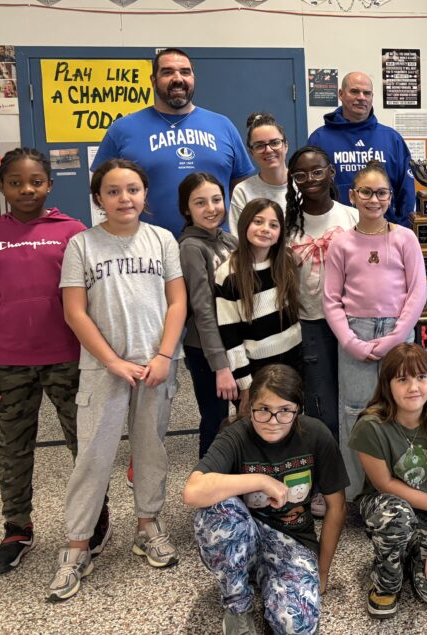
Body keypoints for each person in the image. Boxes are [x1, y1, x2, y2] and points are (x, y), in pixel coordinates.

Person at [48, 159, 186, 602]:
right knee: (92, 456)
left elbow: (177, 302)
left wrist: (164, 354)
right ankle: (76, 546)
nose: (124, 198)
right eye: (113, 191)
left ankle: (147, 526)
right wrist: (111, 362)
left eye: (132, 189)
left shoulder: (163, 239)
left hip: (156, 366)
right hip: (103, 369)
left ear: (145, 195)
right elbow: (75, 312)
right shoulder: (82, 246)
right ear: (98, 198)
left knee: (151, 451)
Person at [0, 149, 108, 575]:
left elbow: (93, 300)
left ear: (49, 184)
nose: (26, 189)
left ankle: (95, 519)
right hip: (9, 366)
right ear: (4, 187)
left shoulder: (74, 233)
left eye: (35, 181)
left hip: (69, 360)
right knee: (12, 448)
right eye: (15, 182)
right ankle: (16, 528)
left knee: (84, 446)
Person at [183, 364, 349, 634]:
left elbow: (337, 506)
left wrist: (323, 571)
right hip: (244, 537)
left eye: (284, 411)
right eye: (263, 410)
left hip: (292, 540)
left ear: (298, 411)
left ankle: (268, 581)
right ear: (251, 409)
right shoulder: (236, 434)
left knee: (296, 624)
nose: (273, 421)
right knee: (217, 507)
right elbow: (192, 491)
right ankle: (238, 605)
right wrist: (261, 480)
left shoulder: (317, 435)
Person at [324, 161, 426, 502]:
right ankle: (357, 493)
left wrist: (396, 337)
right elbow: (331, 299)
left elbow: (418, 293)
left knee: (404, 408)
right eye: (365, 192)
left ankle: (404, 490)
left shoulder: (404, 238)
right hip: (356, 333)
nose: (373, 199)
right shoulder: (341, 244)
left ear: (390, 196)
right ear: (353, 196)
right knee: (356, 412)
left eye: (381, 192)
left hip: (398, 333)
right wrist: (351, 341)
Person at [348, 343, 427, 618]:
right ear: (388, 385)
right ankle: (386, 582)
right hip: (386, 503)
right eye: (403, 379)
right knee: (397, 516)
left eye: (421, 377)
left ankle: (414, 549)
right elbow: (385, 484)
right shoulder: (370, 425)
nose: (414, 387)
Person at [93, 48, 255, 238]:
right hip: (146, 250)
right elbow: (101, 188)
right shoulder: (122, 129)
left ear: (193, 78)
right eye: (168, 72)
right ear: (153, 80)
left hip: (214, 248)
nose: (178, 78)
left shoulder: (223, 125)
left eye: (185, 72)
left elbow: (242, 188)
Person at [285, 145, 359, 518]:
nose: (310, 181)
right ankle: (326, 484)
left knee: (357, 403)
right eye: (300, 175)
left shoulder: (351, 216)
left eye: (317, 172)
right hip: (311, 323)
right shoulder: (289, 224)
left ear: (331, 172)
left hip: (354, 320)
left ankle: (360, 480)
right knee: (323, 405)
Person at [215, 198, 302, 401]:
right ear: (245, 223)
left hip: (294, 360)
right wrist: (245, 383)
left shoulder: (286, 263)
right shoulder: (227, 273)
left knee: (290, 418)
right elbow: (230, 335)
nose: (265, 229)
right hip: (257, 368)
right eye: (258, 222)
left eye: (273, 225)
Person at [177, 172, 238, 458]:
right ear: (186, 209)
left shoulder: (229, 241)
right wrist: (220, 366)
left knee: (244, 419)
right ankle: (208, 489)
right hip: (206, 351)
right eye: (200, 202)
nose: (211, 208)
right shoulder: (191, 247)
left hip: (234, 346)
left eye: (216, 199)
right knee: (215, 421)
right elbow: (202, 309)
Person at [306, 72, 415, 227]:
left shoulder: (392, 139)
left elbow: (406, 192)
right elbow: (311, 189)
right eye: (355, 91)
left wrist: (402, 230)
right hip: (334, 232)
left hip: (384, 231)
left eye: (367, 93)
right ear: (341, 94)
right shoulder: (319, 139)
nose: (362, 97)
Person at [229, 112, 288, 237]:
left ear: (285, 146)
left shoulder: (303, 185)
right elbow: (238, 241)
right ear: (251, 152)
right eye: (259, 145)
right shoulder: (242, 192)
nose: (268, 150)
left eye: (275, 142)